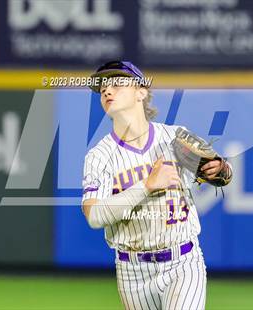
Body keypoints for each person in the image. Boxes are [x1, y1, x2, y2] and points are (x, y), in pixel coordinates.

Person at [81, 60, 232, 310]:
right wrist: (147, 185)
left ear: (141, 92)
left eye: (117, 83)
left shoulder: (175, 137)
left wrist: (220, 169)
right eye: (103, 88)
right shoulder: (98, 157)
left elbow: (220, 172)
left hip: (182, 262)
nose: (107, 90)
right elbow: (94, 216)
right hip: (132, 272)